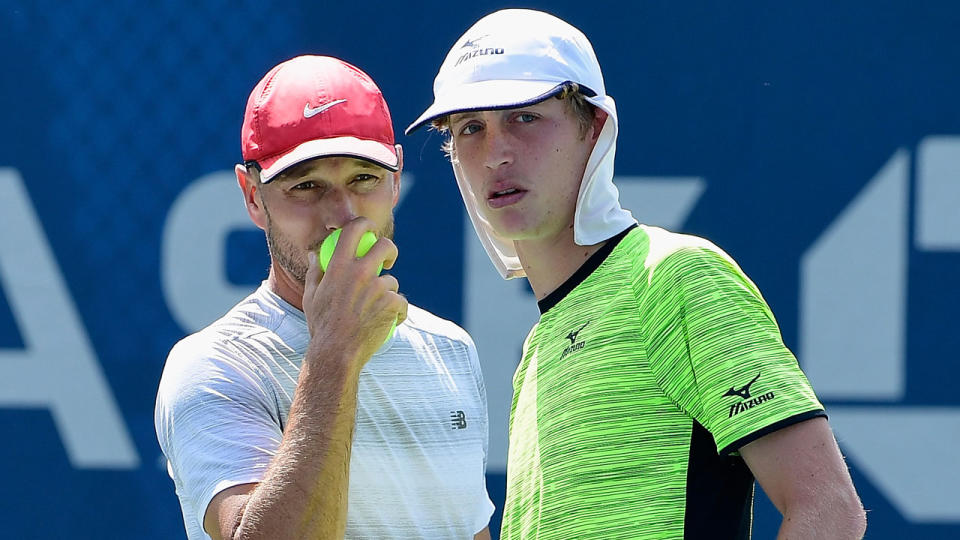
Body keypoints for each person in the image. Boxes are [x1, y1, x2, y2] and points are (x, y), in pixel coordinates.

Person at [406, 9, 866, 540]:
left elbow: (828, 510)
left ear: (594, 128)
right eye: (470, 129)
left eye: (524, 117)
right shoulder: (539, 345)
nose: (495, 154)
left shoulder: (676, 276)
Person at [155, 55, 494, 540]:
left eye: (364, 179)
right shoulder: (213, 366)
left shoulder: (451, 350)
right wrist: (336, 353)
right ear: (252, 195)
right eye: (307, 185)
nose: (342, 215)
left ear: (395, 180)